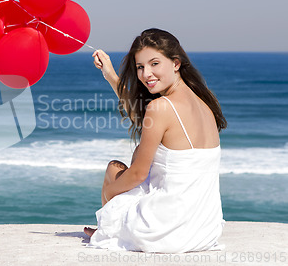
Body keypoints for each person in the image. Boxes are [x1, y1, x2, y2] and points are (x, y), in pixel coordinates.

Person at [84, 28, 227, 253]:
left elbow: (138, 174)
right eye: (140, 67)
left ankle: (108, 230)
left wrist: (110, 196)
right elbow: (144, 121)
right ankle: (113, 228)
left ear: (176, 63)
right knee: (140, 154)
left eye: (154, 64)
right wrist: (111, 75)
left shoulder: (160, 107)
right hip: (203, 230)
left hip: (167, 231)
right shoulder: (204, 103)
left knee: (114, 170)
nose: (146, 74)